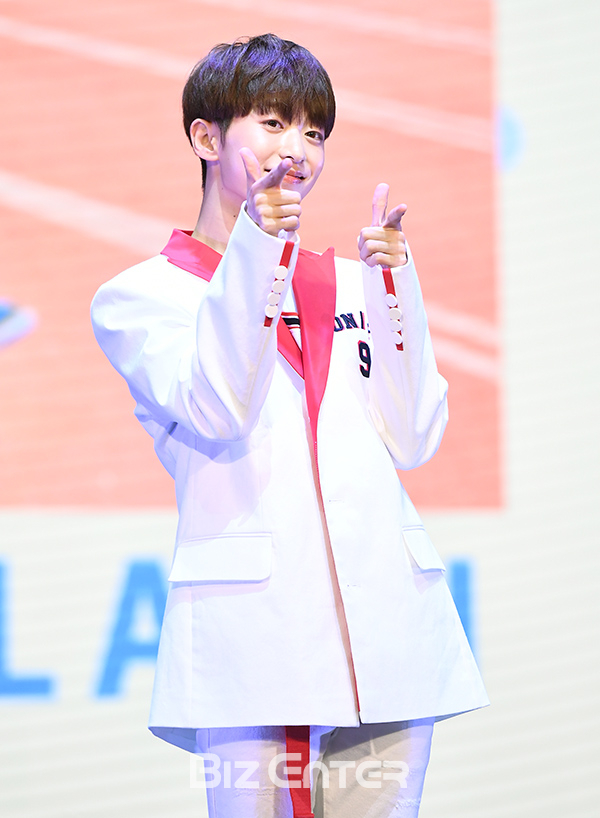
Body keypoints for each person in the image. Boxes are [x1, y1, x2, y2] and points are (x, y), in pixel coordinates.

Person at [91, 33, 488, 818]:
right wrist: (260, 244)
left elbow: (414, 437)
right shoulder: (140, 298)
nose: (298, 150)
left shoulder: (351, 281)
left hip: (386, 635)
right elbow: (216, 405)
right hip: (259, 639)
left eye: (314, 131)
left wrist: (396, 288)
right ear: (206, 138)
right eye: (273, 123)